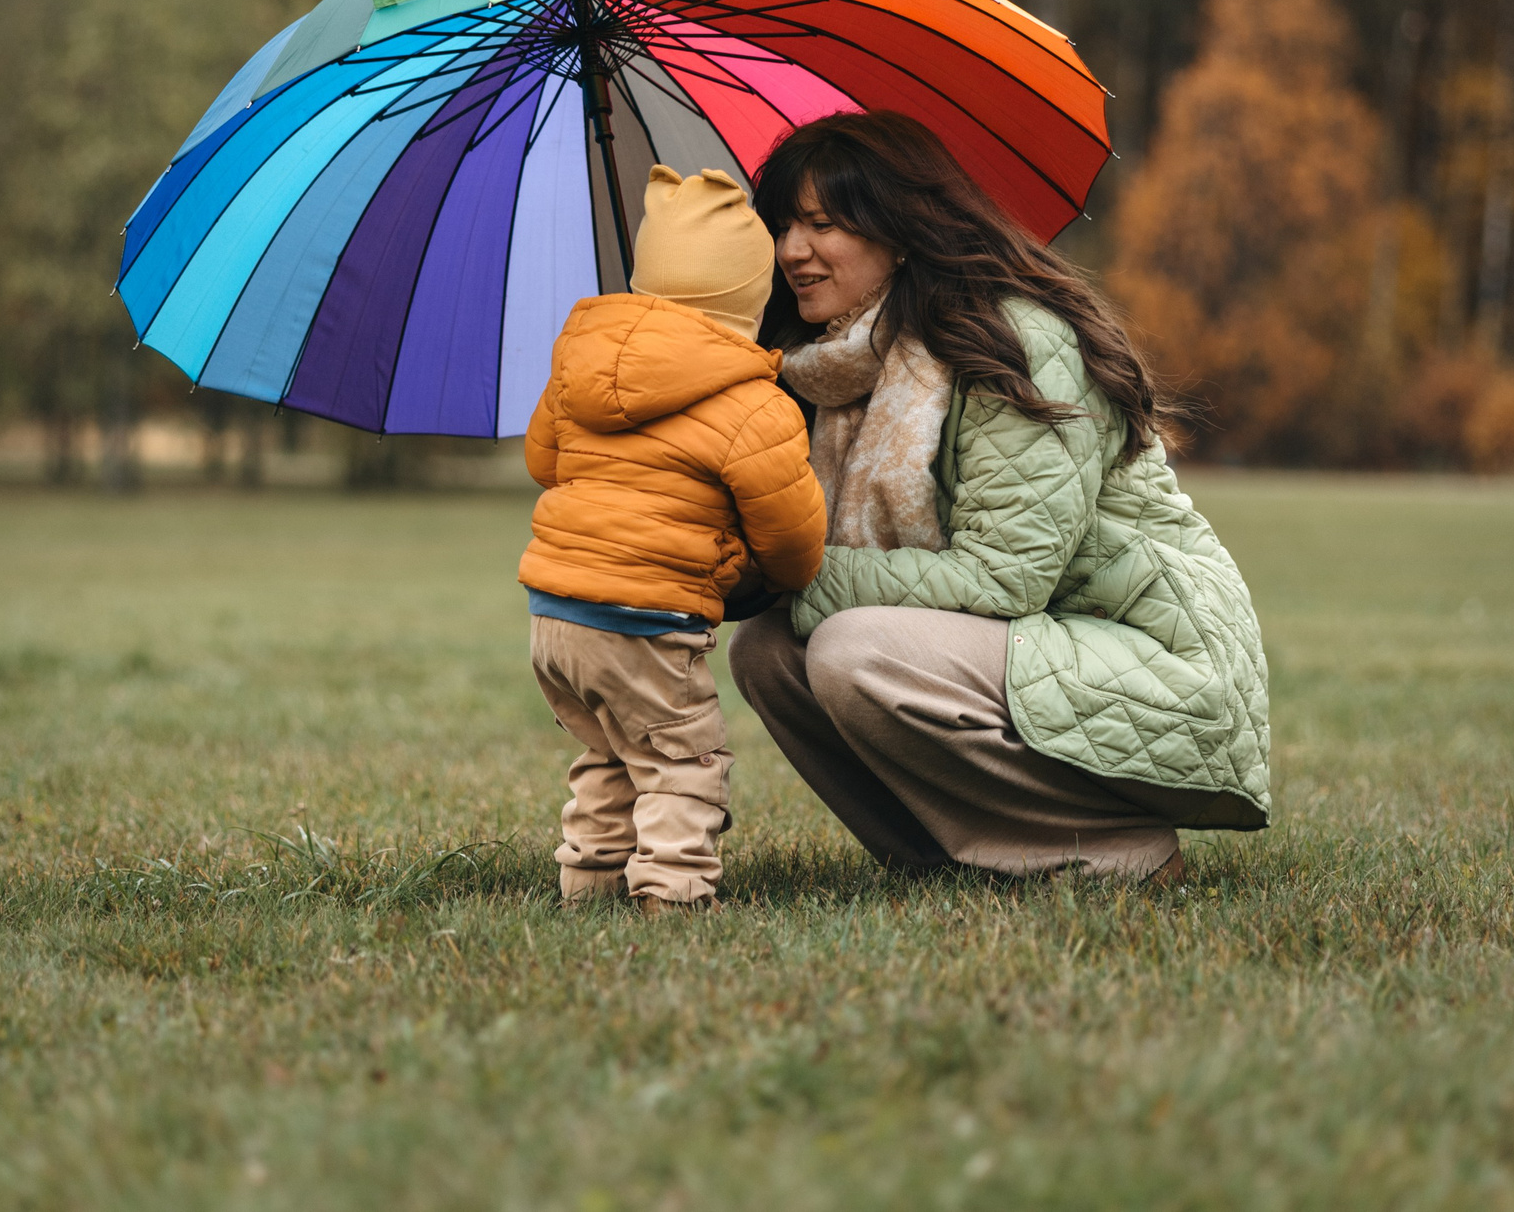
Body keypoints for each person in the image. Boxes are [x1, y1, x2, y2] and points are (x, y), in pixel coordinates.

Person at [729, 112, 1271, 883]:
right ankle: (942, 859)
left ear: (900, 228)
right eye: (783, 225)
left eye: (822, 223)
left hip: (1152, 652)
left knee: (851, 649)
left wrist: (791, 571)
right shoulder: (831, 370)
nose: (791, 250)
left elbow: (1004, 577)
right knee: (768, 651)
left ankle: (1116, 851)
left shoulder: (1011, 339)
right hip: (1032, 645)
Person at [520, 165, 827, 913]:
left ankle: (588, 883)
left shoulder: (578, 356)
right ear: (753, 297)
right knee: (681, 758)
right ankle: (674, 892)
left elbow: (542, 462)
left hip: (553, 612)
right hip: (648, 619)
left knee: (609, 752)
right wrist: (774, 571)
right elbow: (793, 538)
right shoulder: (755, 403)